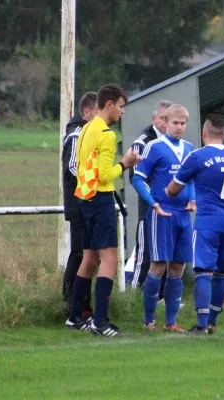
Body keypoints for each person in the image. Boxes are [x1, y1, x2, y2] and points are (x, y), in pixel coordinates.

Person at [66, 84, 141, 336]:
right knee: (110, 259)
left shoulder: (85, 128)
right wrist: (126, 163)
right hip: (100, 199)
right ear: (109, 105)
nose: (122, 112)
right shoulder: (107, 134)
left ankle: (75, 317)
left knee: (89, 258)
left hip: (84, 198)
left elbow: (83, 168)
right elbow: (106, 173)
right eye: (120, 107)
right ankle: (100, 321)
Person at [166, 116, 224, 335]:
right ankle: (212, 322)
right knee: (222, 273)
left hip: (208, 221)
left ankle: (201, 324)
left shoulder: (197, 156)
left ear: (204, 133)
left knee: (203, 271)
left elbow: (173, 189)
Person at [132, 104, 195, 332]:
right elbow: (137, 179)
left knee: (178, 267)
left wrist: (192, 199)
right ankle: (149, 320)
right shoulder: (154, 147)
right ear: (165, 123)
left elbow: (191, 179)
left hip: (183, 216)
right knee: (158, 265)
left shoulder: (189, 148)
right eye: (175, 123)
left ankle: (171, 322)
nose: (179, 127)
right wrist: (153, 203)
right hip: (162, 213)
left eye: (183, 123)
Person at [129, 100, 172, 291]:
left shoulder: (174, 142)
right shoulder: (143, 142)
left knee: (165, 253)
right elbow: (135, 177)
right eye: (163, 118)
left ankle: (161, 294)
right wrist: (153, 199)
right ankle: (135, 292)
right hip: (149, 209)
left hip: (170, 208)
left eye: (170, 119)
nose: (166, 123)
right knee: (145, 254)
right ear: (153, 118)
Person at [61, 92, 98, 312]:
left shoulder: (88, 132)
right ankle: (69, 303)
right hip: (79, 204)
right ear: (86, 113)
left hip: (88, 202)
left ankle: (82, 302)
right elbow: (73, 168)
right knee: (78, 254)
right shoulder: (76, 135)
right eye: (97, 112)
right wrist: (94, 187)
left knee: (89, 254)